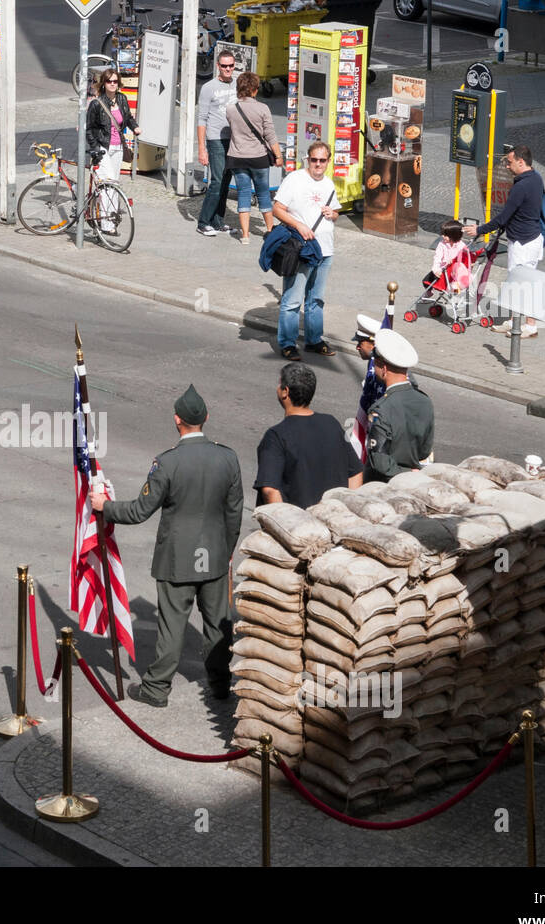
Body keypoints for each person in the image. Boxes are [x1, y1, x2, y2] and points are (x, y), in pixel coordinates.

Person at [89, 385, 243, 708]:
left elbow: (139, 510)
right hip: (214, 557)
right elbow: (234, 511)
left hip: (177, 560)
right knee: (218, 624)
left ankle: (156, 688)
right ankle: (220, 684)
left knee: (172, 626)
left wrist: (105, 507)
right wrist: (227, 551)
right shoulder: (228, 458)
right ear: (206, 418)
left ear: (177, 421)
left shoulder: (167, 463)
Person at [254, 364, 361, 508]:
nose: (277, 388)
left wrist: (288, 525)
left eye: (279, 384)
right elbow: (355, 473)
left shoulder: (275, 436)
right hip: (334, 520)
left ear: (285, 392)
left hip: (298, 526)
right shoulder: (331, 423)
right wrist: (346, 512)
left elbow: (269, 490)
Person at [465, 145, 544, 338]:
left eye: (509, 162)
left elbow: (503, 217)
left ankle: (530, 325)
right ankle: (513, 321)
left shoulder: (521, 186)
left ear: (521, 161)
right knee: (518, 283)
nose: (507, 167)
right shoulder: (536, 178)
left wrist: (479, 230)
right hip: (532, 239)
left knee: (522, 284)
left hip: (522, 243)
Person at [272, 140, 341, 361]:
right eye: (314, 160)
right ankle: (288, 343)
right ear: (307, 159)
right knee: (292, 299)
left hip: (325, 249)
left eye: (322, 160)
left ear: (328, 161)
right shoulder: (295, 179)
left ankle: (314, 340)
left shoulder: (329, 183)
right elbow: (277, 209)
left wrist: (333, 214)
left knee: (317, 298)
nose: (318, 164)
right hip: (302, 248)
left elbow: (336, 212)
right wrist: (298, 225)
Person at [363, 329, 434, 483]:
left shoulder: (380, 409)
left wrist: (406, 473)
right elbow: (424, 452)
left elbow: (380, 463)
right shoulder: (425, 401)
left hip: (383, 484)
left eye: (375, 364)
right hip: (414, 480)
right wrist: (413, 473)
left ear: (384, 369)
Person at [225, 71, 281, 247]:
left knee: (243, 193)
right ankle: (271, 230)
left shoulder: (231, 109)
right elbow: (270, 135)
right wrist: (278, 156)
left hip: (237, 157)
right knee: (263, 193)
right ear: (255, 90)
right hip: (258, 158)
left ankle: (245, 235)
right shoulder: (263, 109)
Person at [85, 68, 138, 231]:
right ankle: (106, 225)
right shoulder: (96, 103)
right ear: (104, 84)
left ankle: (110, 220)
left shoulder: (121, 99)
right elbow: (89, 129)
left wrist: (135, 127)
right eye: (109, 81)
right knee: (107, 185)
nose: (113, 84)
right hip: (103, 148)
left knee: (114, 185)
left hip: (118, 148)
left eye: (115, 81)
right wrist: (95, 148)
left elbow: (127, 117)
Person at [194, 51, 239, 237]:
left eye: (231, 66)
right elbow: (202, 119)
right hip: (215, 139)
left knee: (226, 180)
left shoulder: (238, 84)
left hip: (234, 139)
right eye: (224, 66)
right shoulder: (208, 87)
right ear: (218, 66)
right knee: (217, 180)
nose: (228, 69)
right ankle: (203, 221)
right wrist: (202, 149)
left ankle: (218, 221)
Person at [426, 219, 471, 293]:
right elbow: (437, 257)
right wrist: (436, 269)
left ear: (454, 236)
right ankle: (429, 292)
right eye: (443, 234)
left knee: (455, 284)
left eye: (446, 235)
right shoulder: (442, 244)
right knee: (426, 280)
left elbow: (465, 262)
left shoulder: (462, 247)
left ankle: (455, 295)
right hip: (442, 270)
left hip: (454, 274)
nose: (443, 236)